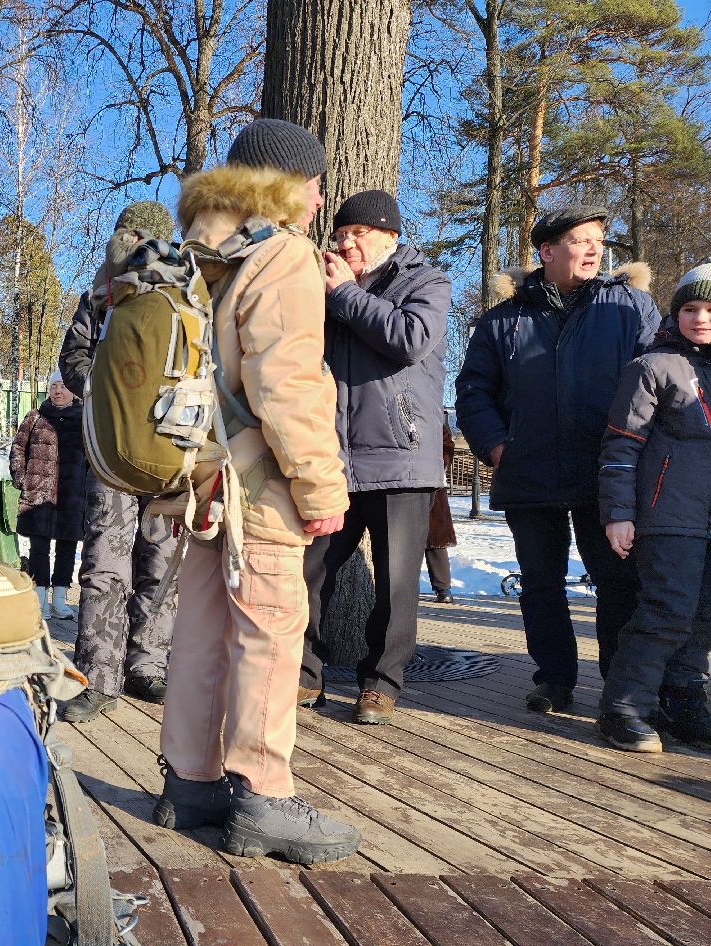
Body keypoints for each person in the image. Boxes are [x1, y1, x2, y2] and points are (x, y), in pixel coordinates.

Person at [153, 118, 360, 864]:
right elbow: (289, 385)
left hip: (202, 481)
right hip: (260, 484)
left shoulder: (193, 251)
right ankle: (264, 796)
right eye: (314, 184)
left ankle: (192, 781)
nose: (319, 199)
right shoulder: (282, 257)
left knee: (204, 630)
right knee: (270, 635)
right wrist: (320, 487)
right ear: (289, 184)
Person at [456, 205, 660, 714]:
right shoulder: (502, 320)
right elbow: (474, 390)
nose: (594, 249)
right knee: (540, 582)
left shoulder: (631, 308)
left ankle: (620, 684)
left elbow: (658, 380)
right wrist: (499, 446)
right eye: (580, 240)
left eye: (598, 240)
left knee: (617, 581)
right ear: (546, 251)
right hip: (530, 471)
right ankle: (554, 678)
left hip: (607, 475)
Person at [298, 189, 451, 724]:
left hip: (400, 458)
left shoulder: (426, 282)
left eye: (357, 234)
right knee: (308, 571)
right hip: (331, 459)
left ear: (389, 234)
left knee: (395, 581)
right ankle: (303, 676)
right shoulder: (325, 290)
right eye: (340, 234)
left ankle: (381, 683)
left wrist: (343, 295)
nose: (345, 243)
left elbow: (408, 339)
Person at [57, 201, 179, 722]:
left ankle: (146, 665)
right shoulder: (101, 297)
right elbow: (73, 357)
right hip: (111, 451)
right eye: (122, 231)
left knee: (163, 559)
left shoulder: (185, 293)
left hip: (171, 446)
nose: (123, 240)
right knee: (106, 559)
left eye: (131, 233)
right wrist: (98, 395)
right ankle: (98, 673)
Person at [596, 264, 711, 753]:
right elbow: (621, 447)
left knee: (705, 617)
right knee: (667, 612)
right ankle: (624, 706)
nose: (700, 318)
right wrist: (617, 513)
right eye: (691, 308)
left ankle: (686, 701)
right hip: (669, 518)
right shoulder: (652, 368)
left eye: (710, 310)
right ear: (676, 313)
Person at [9, 370, 88, 618]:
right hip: (38, 495)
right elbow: (18, 448)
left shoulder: (85, 418)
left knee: (67, 548)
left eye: (63, 386)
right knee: (39, 549)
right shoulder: (35, 417)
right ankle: (40, 600)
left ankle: (60, 601)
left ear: (73, 390)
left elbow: (93, 458)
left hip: (72, 495)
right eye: (54, 386)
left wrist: (88, 486)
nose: (58, 391)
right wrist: (21, 478)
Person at [425, 417, 457, 603]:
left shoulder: (434, 416)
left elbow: (447, 443)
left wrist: (441, 462)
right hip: (401, 478)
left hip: (432, 482)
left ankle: (443, 588)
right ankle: (402, 590)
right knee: (403, 543)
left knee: (436, 540)